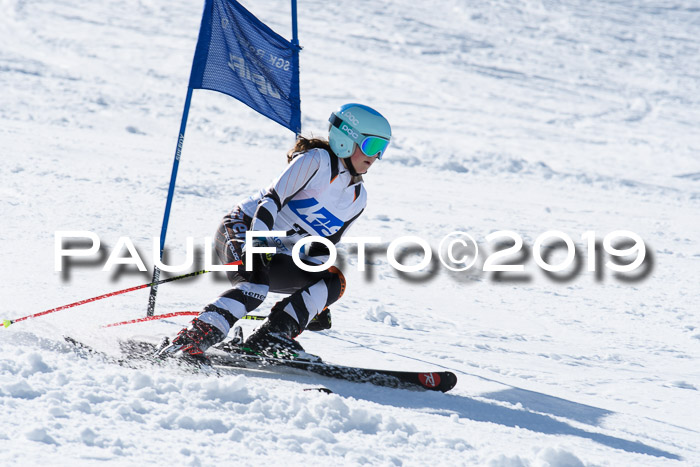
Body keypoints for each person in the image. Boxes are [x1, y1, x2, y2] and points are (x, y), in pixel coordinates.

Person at [157, 103, 392, 363]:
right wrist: (257, 246)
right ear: (347, 139)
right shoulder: (317, 161)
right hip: (242, 229)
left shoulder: (358, 197)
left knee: (333, 281)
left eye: (383, 149)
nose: (377, 156)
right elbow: (270, 201)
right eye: (371, 146)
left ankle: (271, 337)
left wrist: (313, 303)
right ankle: (191, 340)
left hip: (280, 251)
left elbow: (321, 248)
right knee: (255, 285)